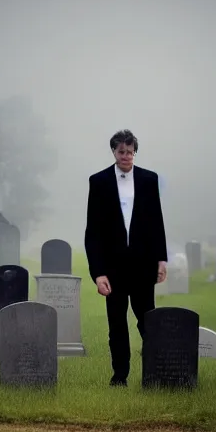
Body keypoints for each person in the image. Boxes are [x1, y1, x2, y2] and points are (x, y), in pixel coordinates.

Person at [84, 129, 168, 387]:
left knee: (147, 323)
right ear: (114, 151)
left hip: (143, 266)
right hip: (113, 269)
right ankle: (120, 376)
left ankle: (156, 373)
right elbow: (93, 232)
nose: (126, 156)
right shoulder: (98, 182)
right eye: (121, 152)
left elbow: (156, 222)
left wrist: (161, 260)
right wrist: (98, 273)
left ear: (135, 152)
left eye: (130, 152)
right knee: (117, 325)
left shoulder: (148, 179)